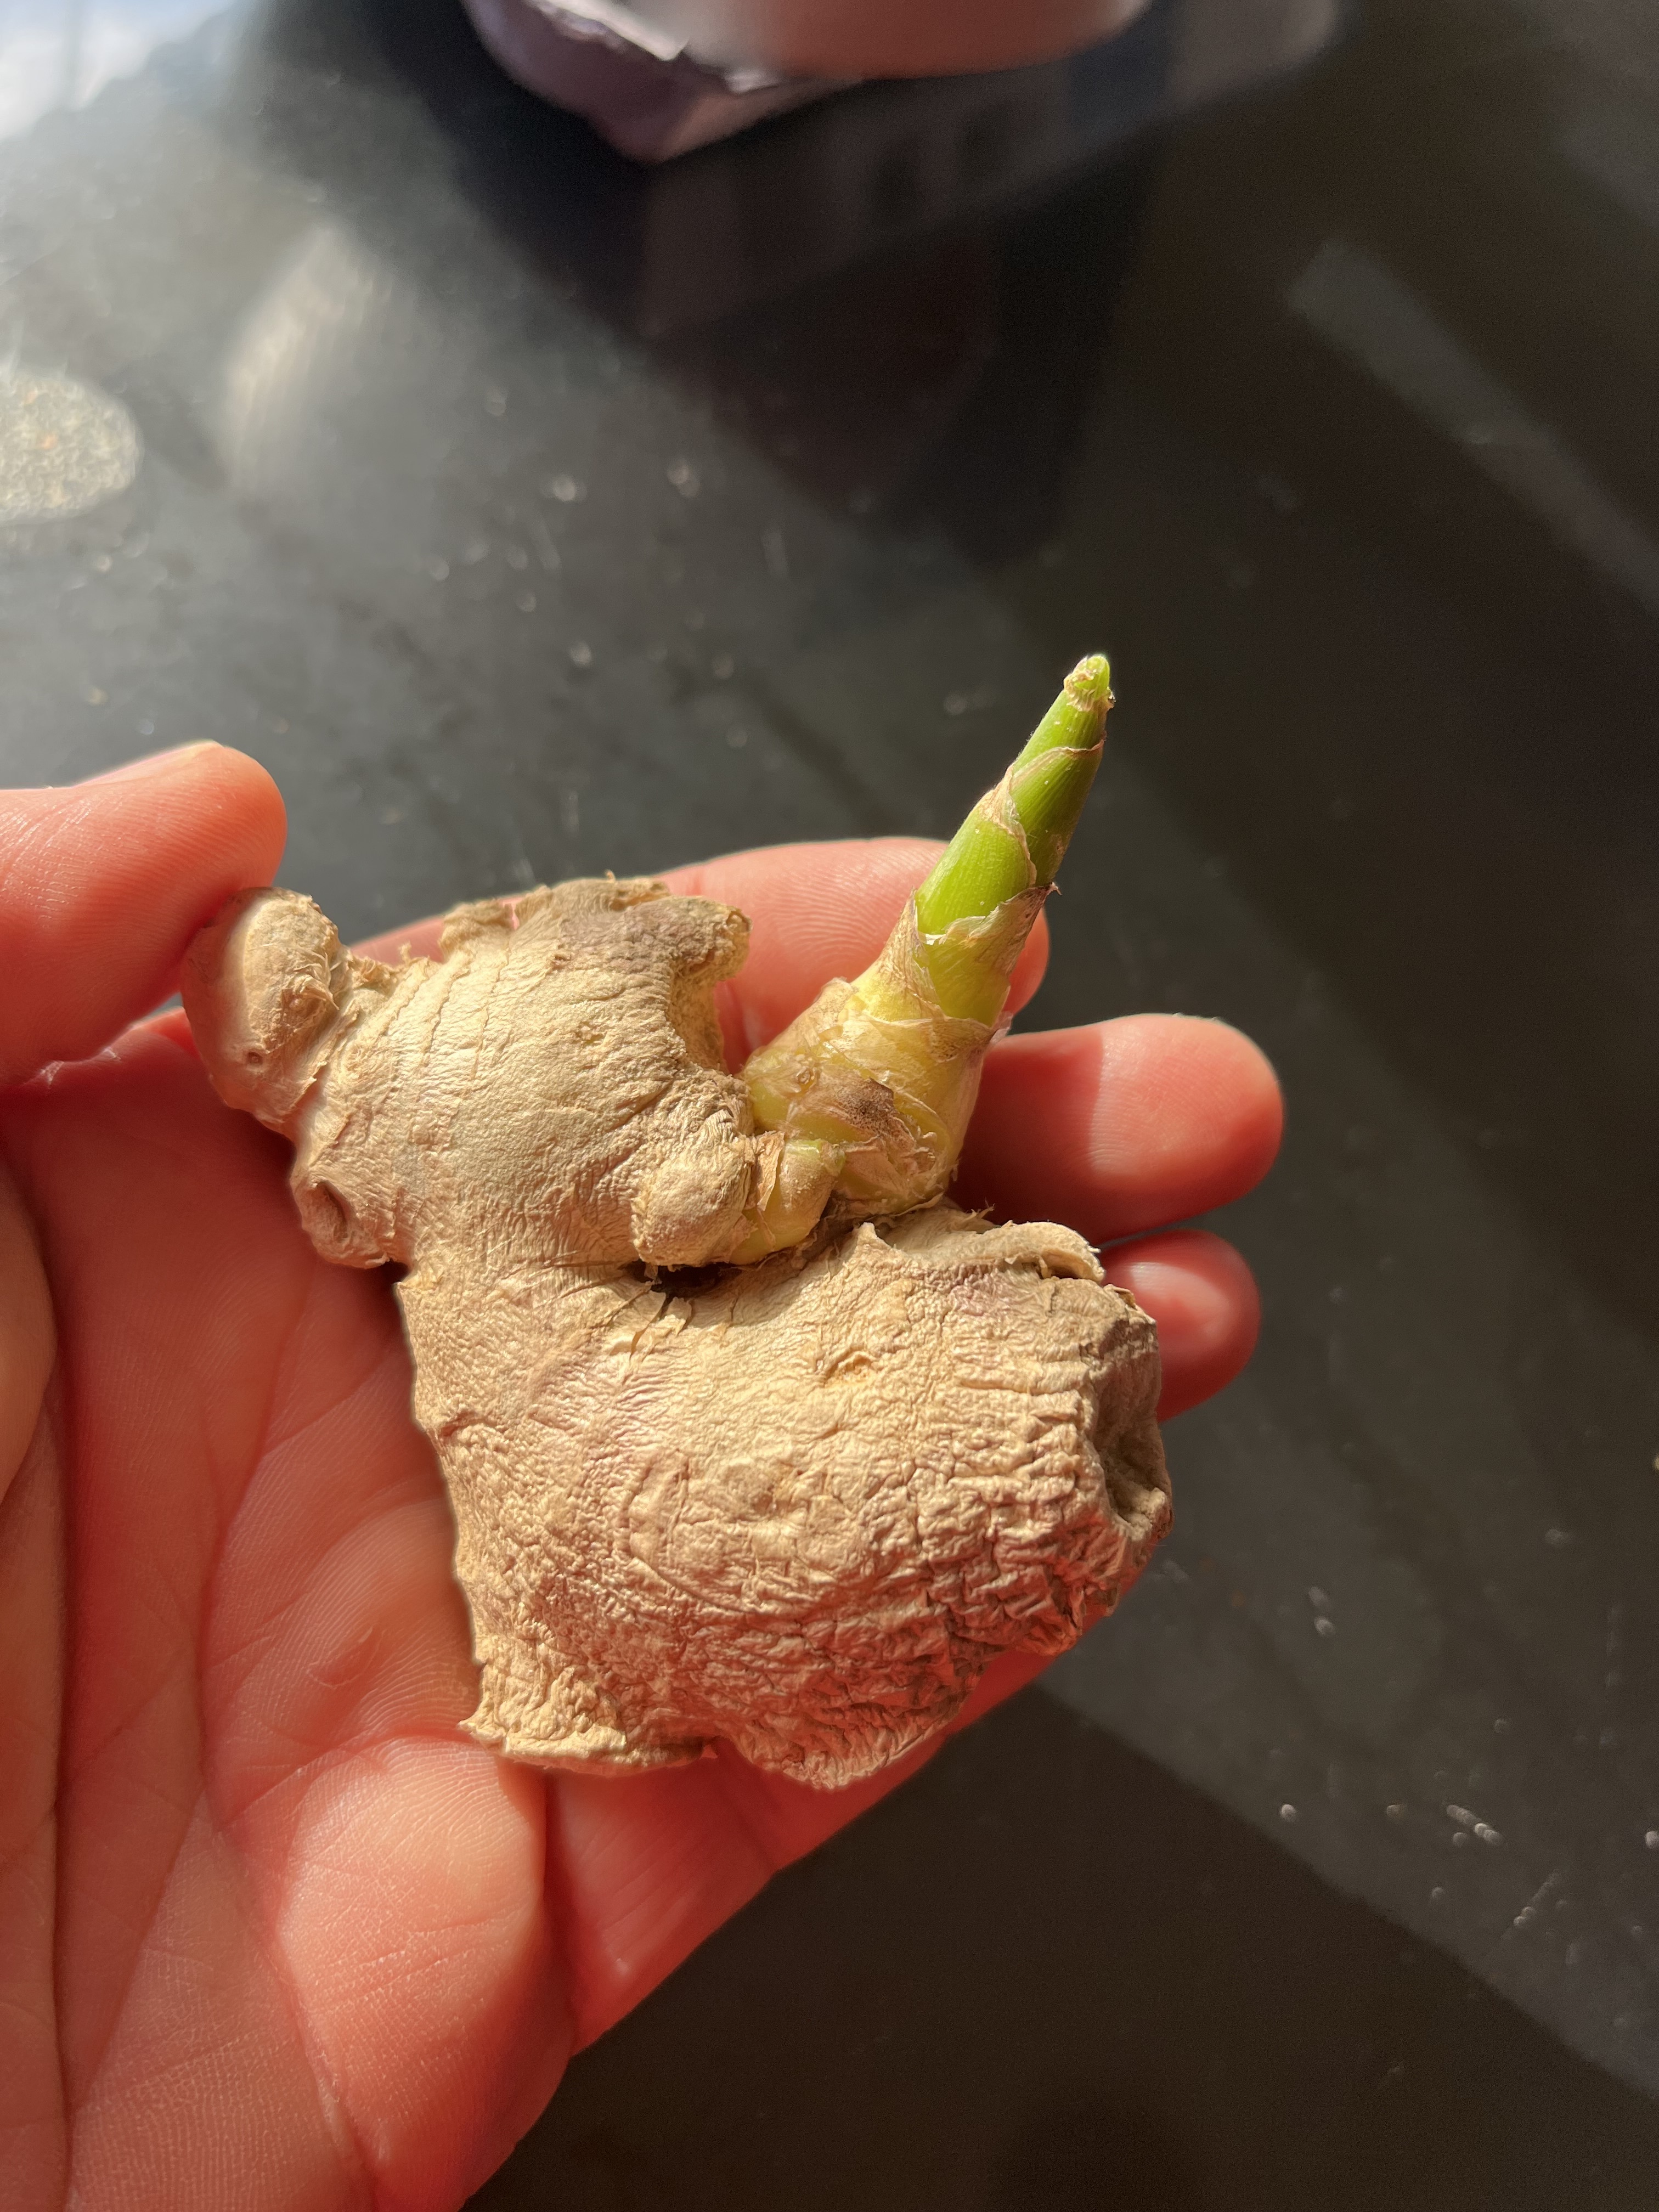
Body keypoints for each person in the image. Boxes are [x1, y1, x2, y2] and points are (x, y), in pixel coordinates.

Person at [0, 742, 1280, 2209]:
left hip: (779, 1488)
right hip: (794, 1489)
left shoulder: (440, 1083)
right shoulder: (503, 1042)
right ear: (345, 1213)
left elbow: (689, 1180)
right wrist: (766, 1184)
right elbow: (698, 1189)